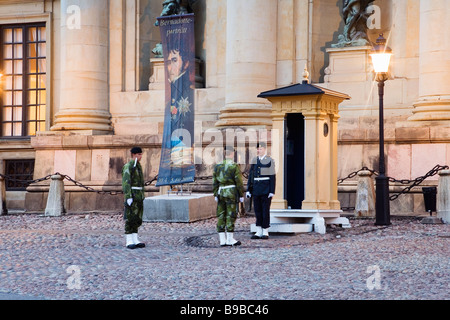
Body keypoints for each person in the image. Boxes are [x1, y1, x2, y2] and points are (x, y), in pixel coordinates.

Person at [213, 147, 244, 247]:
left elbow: (215, 182)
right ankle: (230, 239)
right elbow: (238, 182)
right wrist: (241, 194)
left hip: (221, 192)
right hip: (231, 192)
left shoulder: (218, 166)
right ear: (232, 154)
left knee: (221, 214)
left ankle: (222, 239)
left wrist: (215, 194)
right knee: (231, 214)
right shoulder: (234, 166)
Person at [246, 142, 276, 239]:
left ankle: (265, 230)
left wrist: (272, 190)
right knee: (257, 210)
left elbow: (272, 176)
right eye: (258, 149)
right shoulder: (255, 160)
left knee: (265, 210)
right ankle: (258, 230)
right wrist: (248, 189)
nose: (259, 151)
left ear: (265, 150)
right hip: (256, 188)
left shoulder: (269, 160)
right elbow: (251, 176)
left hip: (265, 188)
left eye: (261, 149)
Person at [122, 147, 146, 249]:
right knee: (130, 217)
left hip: (139, 195)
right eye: (139, 155)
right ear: (134, 155)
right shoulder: (129, 166)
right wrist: (128, 196)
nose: (140, 156)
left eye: (141, 154)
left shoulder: (138, 166)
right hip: (133, 194)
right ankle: (129, 239)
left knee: (137, 217)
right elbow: (126, 182)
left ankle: (135, 238)